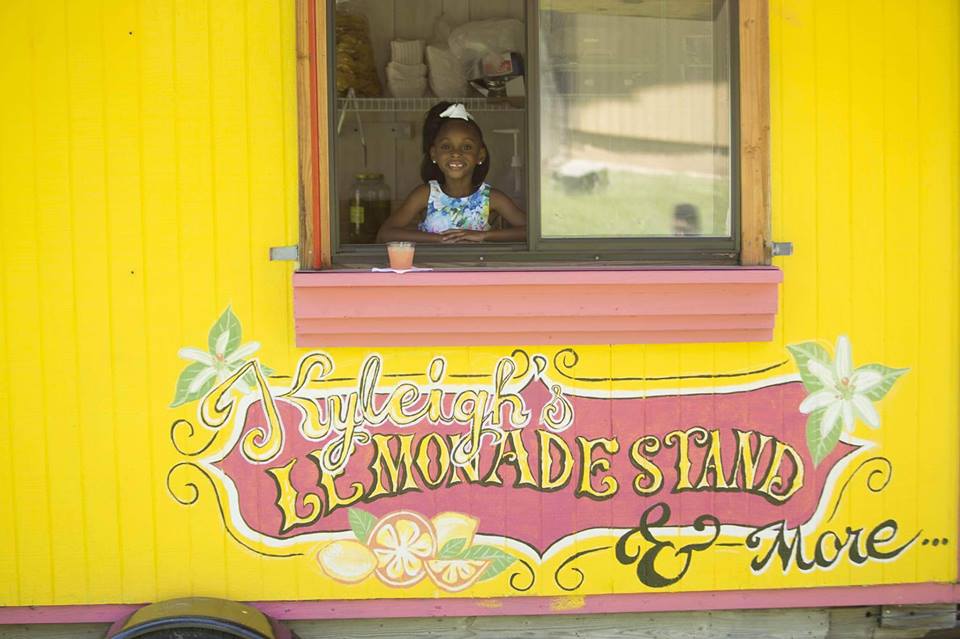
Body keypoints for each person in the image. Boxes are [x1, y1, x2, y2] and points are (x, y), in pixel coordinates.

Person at [376, 102, 527, 244]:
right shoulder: (425, 195)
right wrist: (439, 239)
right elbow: (386, 234)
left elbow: (533, 232)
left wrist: (484, 236)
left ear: (480, 155)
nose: (456, 153)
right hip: (432, 270)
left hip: (476, 271)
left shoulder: (491, 198)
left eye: (466, 147)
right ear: (434, 154)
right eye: (446, 146)